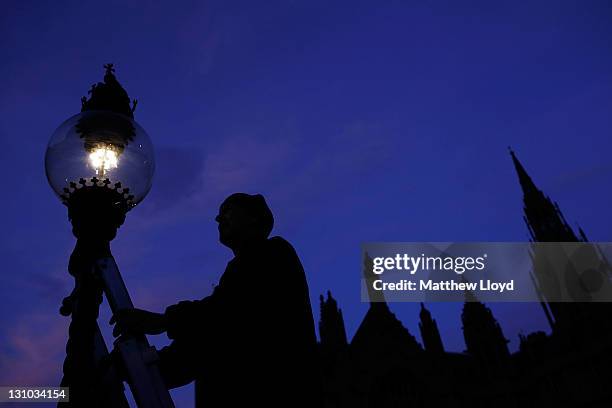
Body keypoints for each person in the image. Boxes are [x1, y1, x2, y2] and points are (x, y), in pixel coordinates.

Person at [110, 193, 319, 407]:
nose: (219, 219)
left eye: (228, 210)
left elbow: (223, 316)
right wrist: (146, 366)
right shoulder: (243, 272)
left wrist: (162, 322)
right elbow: (211, 336)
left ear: (254, 217)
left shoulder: (274, 252)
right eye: (219, 214)